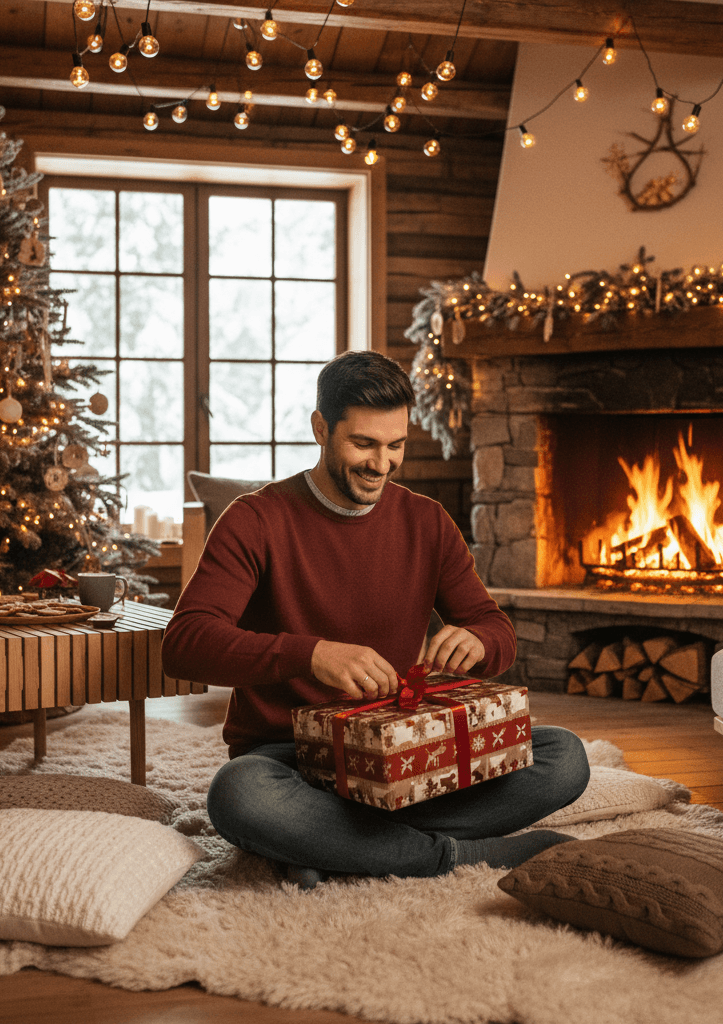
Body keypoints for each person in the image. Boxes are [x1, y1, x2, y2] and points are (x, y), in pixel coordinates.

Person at [161, 350, 590, 886]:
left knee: (565, 757)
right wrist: (312, 654)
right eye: (363, 443)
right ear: (321, 428)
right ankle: (452, 856)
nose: (380, 464)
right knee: (239, 794)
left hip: (409, 752)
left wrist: (478, 641)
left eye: (396, 446)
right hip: (289, 760)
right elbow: (186, 642)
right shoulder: (254, 519)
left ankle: (333, 846)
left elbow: (494, 627)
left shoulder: (427, 522)